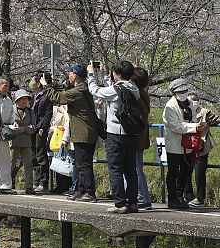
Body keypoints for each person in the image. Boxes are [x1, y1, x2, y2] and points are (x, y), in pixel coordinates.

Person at [88, 60, 141, 214]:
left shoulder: (116, 90)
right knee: (131, 170)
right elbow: (114, 89)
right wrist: (104, 74)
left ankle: (120, 203)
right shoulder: (133, 88)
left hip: (116, 135)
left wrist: (92, 73)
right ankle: (133, 203)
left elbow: (95, 90)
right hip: (131, 133)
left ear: (117, 74)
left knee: (115, 169)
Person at [43, 66, 98, 202]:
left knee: (83, 165)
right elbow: (66, 94)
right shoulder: (83, 89)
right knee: (80, 163)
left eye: (69, 73)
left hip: (82, 134)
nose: (68, 76)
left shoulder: (78, 92)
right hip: (85, 133)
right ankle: (81, 190)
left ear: (75, 75)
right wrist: (55, 85)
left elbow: (58, 97)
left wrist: (46, 86)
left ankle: (90, 192)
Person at [162, 79, 203, 209]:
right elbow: (175, 126)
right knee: (173, 171)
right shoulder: (170, 106)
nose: (184, 93)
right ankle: (172, 198)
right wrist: (193, 127)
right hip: (174, 143)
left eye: (185, 91)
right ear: (174, 93)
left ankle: (180, 196)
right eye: (181, 91)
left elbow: (194, 116)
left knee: (187, 170)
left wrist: (194, 124)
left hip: (188, 143)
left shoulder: (189, 102)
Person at [130, 68, 152, 209]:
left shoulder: (136, 95)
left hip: (135, 135)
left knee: (135, 168)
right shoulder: (145, 94)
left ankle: (140, 198)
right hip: (142, 134)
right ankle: (145, 198)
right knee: (139, 168)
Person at [9, 89, 36, 194]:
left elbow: (34, 127)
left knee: (28, 164)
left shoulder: (30, 111)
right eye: (22, 99)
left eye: (26, 99)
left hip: (26, 141)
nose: (25, 101)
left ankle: (29, 186)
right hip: (14, 141)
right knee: (11, 163)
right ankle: (6, 183)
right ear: (17, 100)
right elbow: (6, 123)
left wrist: (24, 129)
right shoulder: (11, 110)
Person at [31, 75, 53, 194]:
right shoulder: (33, 96)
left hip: (40, 128)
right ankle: (37, 179)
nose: (31, 83)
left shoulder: (46, 96)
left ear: (38, 83)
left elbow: (48, 114)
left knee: (41, 154)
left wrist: (43, 128)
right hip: (32, 128)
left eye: (32, 81)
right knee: (33, 155)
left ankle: (43, 182)